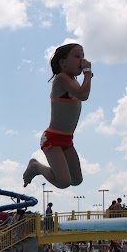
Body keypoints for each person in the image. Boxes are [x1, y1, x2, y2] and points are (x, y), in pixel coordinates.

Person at [23, 43, 92, 189]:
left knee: (77, 180)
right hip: (52, 138)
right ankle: (36, 166)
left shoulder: (74, 81)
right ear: (63, 62)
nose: (82, 61)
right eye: (77, 56)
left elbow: (82, 92)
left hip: (67, 139)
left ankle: (37, 166)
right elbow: (83, 95)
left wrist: (86, 75)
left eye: (83, 57)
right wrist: (87, 72)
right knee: (63, 182)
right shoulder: (61, 79)